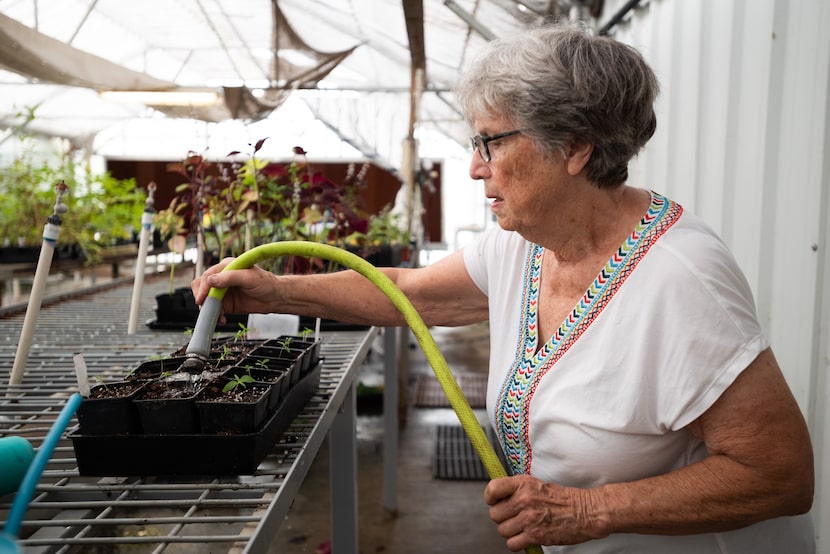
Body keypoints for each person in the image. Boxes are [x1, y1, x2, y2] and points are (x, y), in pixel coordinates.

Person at [192, 21, 815, 553]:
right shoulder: (526, 244)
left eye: (491, 141)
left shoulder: (680, 279)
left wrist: (586, 511)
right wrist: (277, 293)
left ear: (573, 147)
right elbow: (413, 292)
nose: (473, 165)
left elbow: (778, 473)